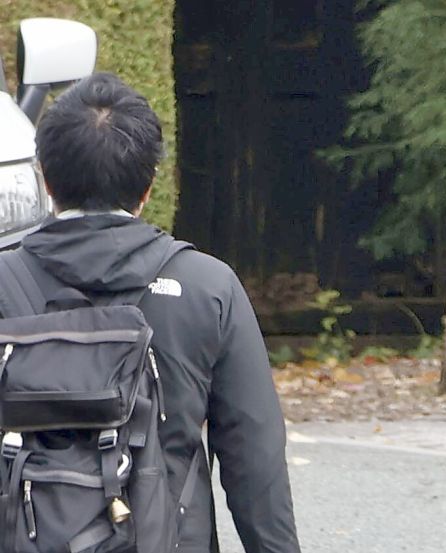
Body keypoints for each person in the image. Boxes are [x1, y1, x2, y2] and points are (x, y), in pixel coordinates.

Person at [8, 72, 300, 553]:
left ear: (44, 177)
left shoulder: (4, 283)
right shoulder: (208, 287)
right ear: (149, 184)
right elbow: (256, 460)